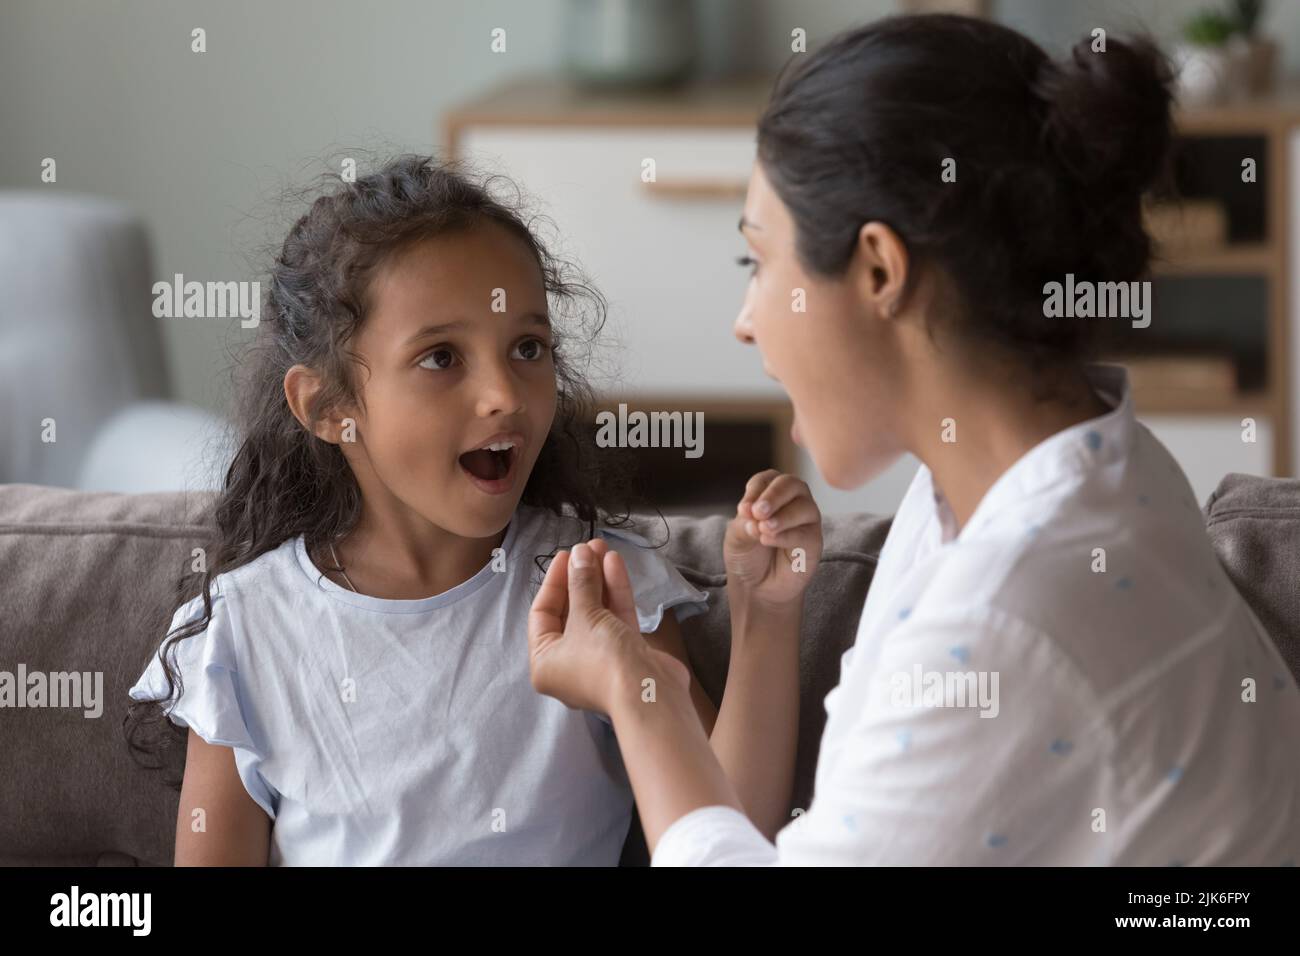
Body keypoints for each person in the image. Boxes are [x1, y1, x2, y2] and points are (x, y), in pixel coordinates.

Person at [527, 14, 1300, 865]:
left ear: (879, 272)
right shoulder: (1068, 474)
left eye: (759, 263)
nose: (747, 323)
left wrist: (641, 694)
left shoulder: (1009, 612)